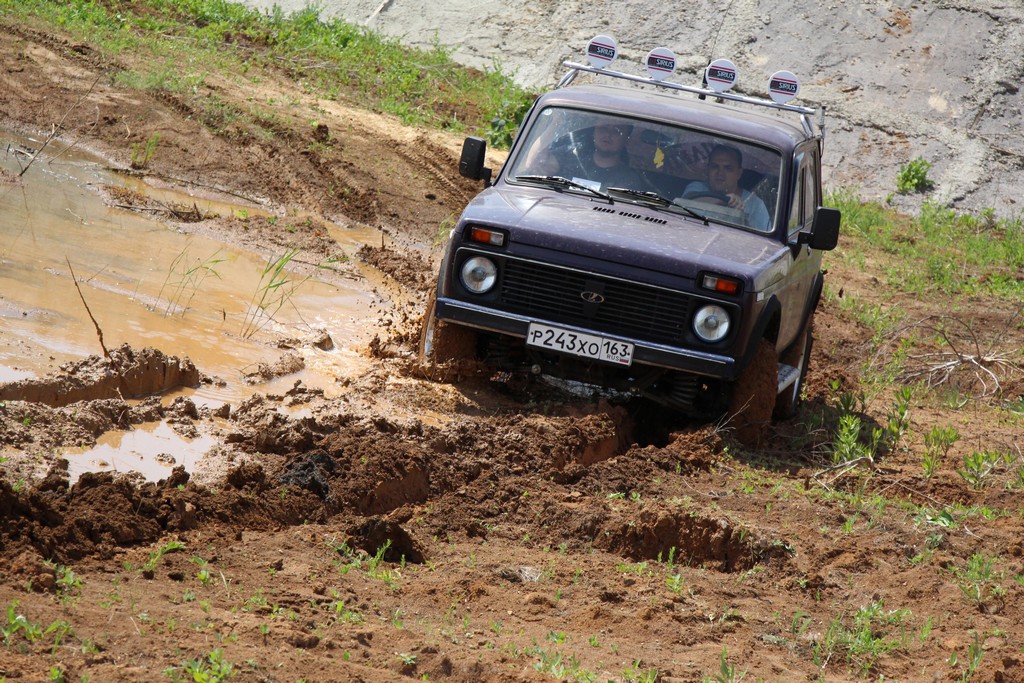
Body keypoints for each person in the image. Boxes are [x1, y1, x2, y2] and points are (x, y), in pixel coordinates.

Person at [518, 115, 642, 191]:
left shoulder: (629, 179)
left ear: (627, 139)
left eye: (617, 130)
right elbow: (534, 163)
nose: (607, 134)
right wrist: (555, 124)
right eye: (603, 128)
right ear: (594, 132)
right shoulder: (571, 159)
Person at [680, 144, 770, 229]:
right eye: (715, 166)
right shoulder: (696, 188)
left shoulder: (755, 204)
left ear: (739, 173)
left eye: (728, 168)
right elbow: (686, 204)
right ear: (708, 170)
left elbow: (762, 240)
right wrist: (725, 200)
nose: (720, 173)